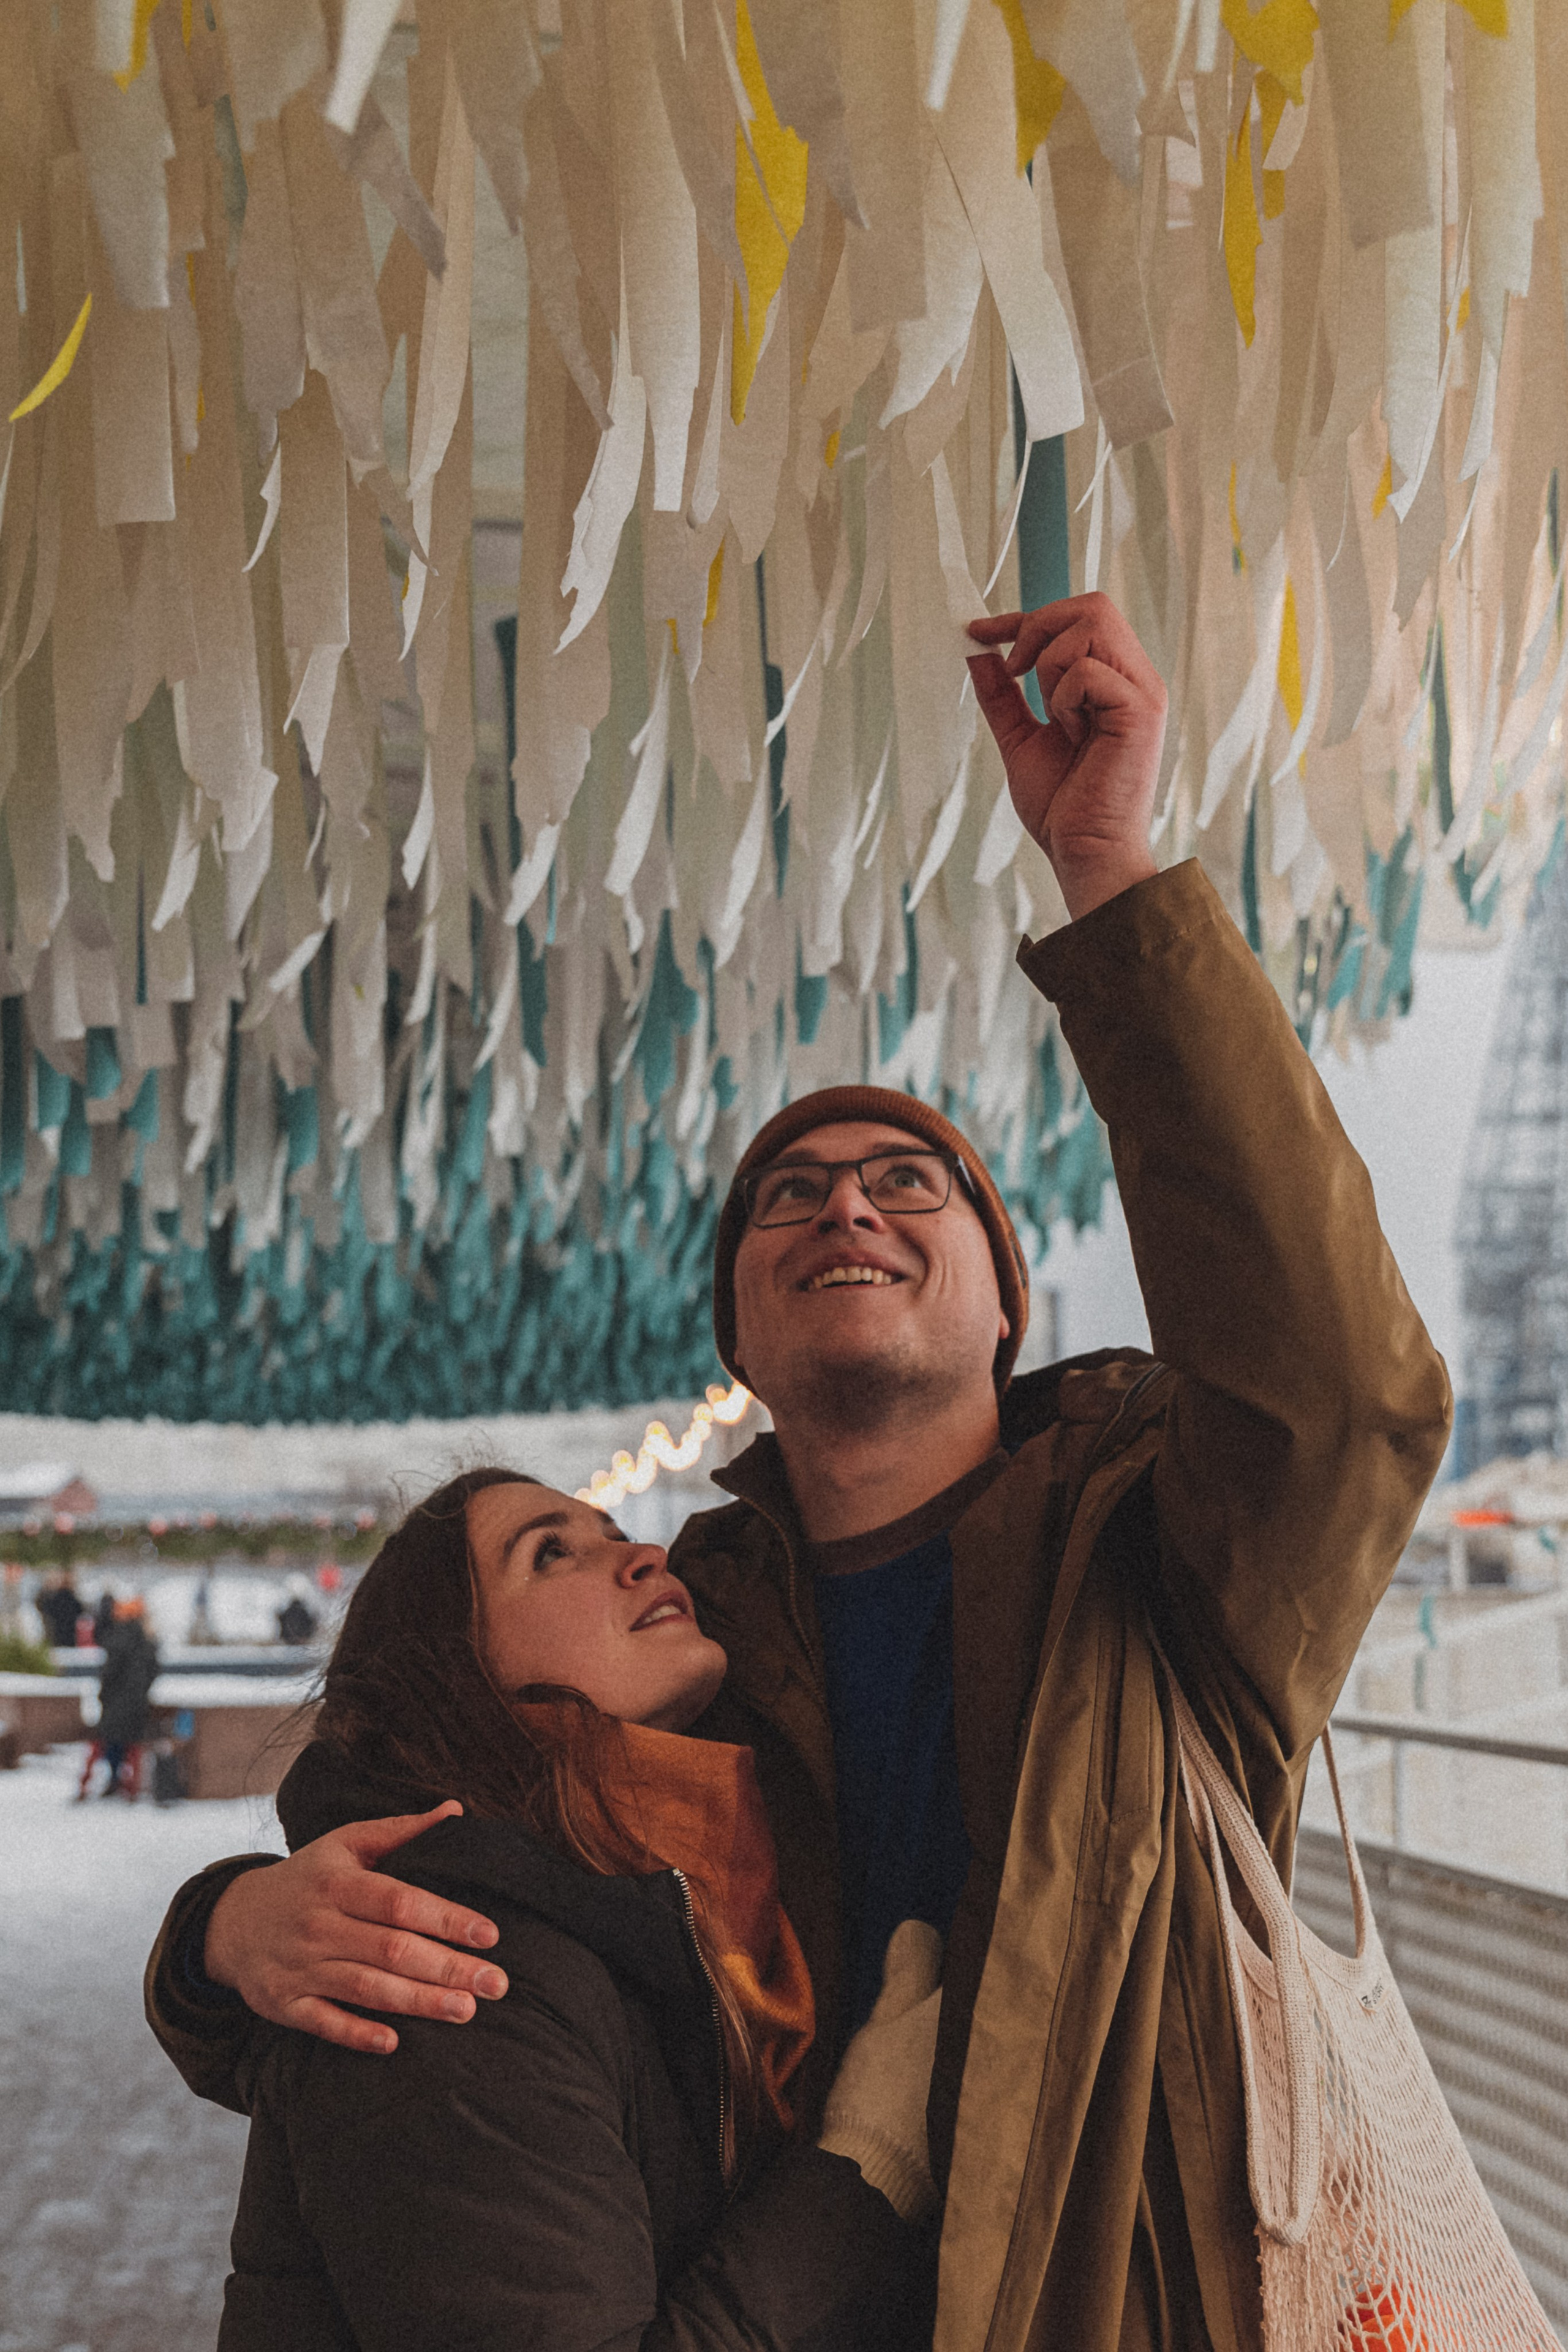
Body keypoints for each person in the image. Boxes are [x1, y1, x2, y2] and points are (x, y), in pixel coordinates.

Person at [144, 595, 1452, 2350]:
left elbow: (1346, 1390)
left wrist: (1114, 881)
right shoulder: (698, 1630)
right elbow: (437, 1787)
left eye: (913, 1187)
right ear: (745, 1351)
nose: (847, 1201)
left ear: (1006, 1305)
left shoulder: (1159, 1574)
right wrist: (226, 1929)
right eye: (792, 1195)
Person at [158, 1467, 932, 2350]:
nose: (641, 1556)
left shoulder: (686, 1881)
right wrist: (865, 2169)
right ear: (452, 1672)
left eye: (614, 1531)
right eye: (552, 1552)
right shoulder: (439, 1962)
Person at [92, 1597, 160, 1797]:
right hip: (138, 1705)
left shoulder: (117, 1639)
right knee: (133, 1744)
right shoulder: (147, 1642)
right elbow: (154, 1670)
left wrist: (104, 1695)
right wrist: (141, 1691)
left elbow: (109, 1673)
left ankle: (114, 1779)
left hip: (115, 1706)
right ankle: (133, 1785)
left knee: (112, 1741)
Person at [35, 1568, 85, 1651]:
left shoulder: (55, 1597)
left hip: (57, 1633)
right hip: (69, 1633)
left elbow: (45, 1609)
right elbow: (81, 1611)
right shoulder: (72, 1598)